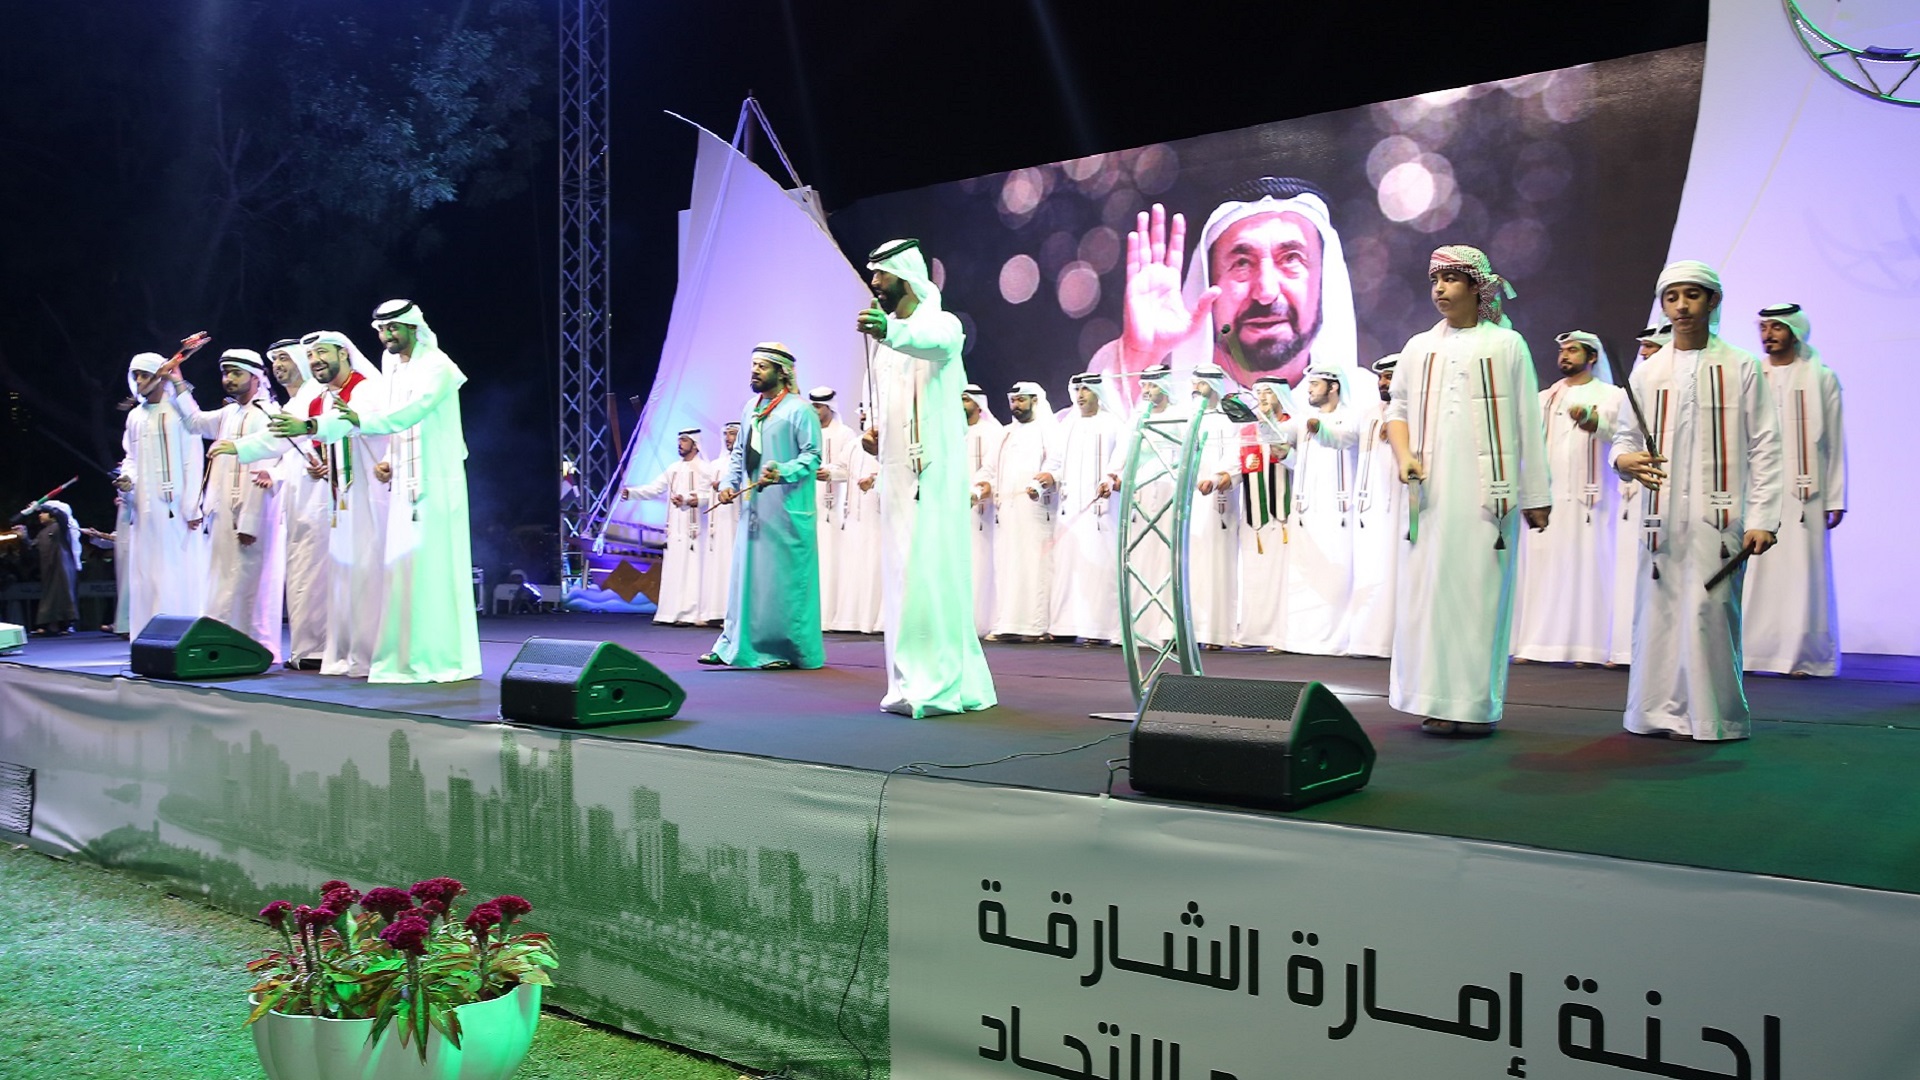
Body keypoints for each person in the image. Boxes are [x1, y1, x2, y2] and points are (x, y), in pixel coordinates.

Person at [1612, 261, 1783, 741]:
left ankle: (1713, 719)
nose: (1682, 306)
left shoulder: (1742, 366)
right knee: (1658, 614)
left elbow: (1766, 445)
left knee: (1711, 615)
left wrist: (1765, 518)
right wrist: (1624, 461)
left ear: (1713, 302)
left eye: (1692, 295)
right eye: (1672, 297)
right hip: (1661, 520)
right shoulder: (1650, 372)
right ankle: (1654, 713)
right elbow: (1623, 438)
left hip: (1721, 518)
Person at [1384, 246, 1550, 736]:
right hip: (1431, 497)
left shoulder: (1506, 345)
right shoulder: (1418, 347)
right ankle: (1433, 698)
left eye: (1452, 279)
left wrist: (1536, 494)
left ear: (1477, 286)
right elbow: (1397, 410)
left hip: (1486, 497)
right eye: (1435, 280)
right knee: (1432, 594)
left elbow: (1526, 421)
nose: (1440, 289)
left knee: (1480, 595)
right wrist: (1404, 455)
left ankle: (1475, 705)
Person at [279, 300, 481, 684]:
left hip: (436, 482)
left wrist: (361, 420)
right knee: (403, 574)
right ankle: (404, 658)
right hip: (404, 484)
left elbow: (412, 413)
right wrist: (387, 454)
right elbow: (389, 427)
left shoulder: (438, 366)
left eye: (394, 329)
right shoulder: (393, 368)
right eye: (382, 330)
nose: (388, 336)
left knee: (432, 573)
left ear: (412, 328)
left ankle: (440, 660)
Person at [856, 238, 996, 716]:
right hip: (895, 472)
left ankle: (939, 680)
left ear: (907, 277)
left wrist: (889, 334)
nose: (874, 285)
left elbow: (933, 346)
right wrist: (874, 432)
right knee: (900, 572)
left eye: (881, 275)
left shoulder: (941, 324)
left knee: (929, 569)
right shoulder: (887, 338)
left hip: (931, 470)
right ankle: (906, 681)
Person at [1090, 178, 1359, 397]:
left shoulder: (1377, 413)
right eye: (1242, 263)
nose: (1265, 291)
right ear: (1207, 282)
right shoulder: (1158, 409)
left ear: (1323, 282)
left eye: (1291, 259)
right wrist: (1138, 362)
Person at [702, 343, 824, 670]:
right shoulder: (750, 408)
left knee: (780, 581)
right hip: (754, 507)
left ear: (781, 373)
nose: (754, 371)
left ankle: (782, 650)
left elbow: (813, 456)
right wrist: (729, 484)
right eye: (753, 365)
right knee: (746, 577)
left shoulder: (800, 410)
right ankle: (733, 644)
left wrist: (782, 471)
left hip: (787, 509)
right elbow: (739, 455)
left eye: (762, 366)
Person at [1512, 331, 1629, 666]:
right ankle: (1536, 644)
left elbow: (1619, 435)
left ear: (1592, 357)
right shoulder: (1544, 397)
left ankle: (1587, 647)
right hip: (1550, 496)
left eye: (1572, 350)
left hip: (1592, 500)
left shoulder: (1612, 395)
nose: (1564, 356)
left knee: (1587, 567)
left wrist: (1594, 422)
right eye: (1561, 350)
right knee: (1544, 566)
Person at [1742, 303, 1845, 677]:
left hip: (1807, 495)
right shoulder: (1752, 375)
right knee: (1758, 574)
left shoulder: (1821, 378)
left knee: (1803, 573)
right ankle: (1753, 653)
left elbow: (1833, 442)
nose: (1768, 334)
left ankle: (1802, 656)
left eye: (1777, 327)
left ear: (1795, 331)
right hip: (1759, 492)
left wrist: (1835, 498)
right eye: (1764, 327)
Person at [168, 348, 288, 661]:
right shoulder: (229, 413)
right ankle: (221, 648)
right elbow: (194, 422)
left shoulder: (268, 414)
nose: (229, 380)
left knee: (249, 589)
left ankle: (256, 650)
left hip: (251, 517)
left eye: (236, 373)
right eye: (225, 373)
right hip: (221, 516)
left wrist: (250, 521)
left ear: (256, 376)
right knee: (221, 586)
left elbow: (266, 471)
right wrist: (178, 382)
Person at [116, 350, 209, 638]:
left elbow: (194, 460)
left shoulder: (179, 413)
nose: (140, 381)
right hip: (145, 509)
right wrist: (127, 479)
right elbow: (130, 456)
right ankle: (146, 637)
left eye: (145, 374)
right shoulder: (134, 417)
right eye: (136, 375)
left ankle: (182, 636)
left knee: (178, 572)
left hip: (178, 508)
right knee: (147, 574)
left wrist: (193, 506)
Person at [1281, 361, 1359, 656]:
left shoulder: (1350, 417)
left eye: (1315, 384)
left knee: (1335, 577)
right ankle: (1300, 640)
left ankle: (1336, 642)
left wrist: (1320, 429)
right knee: (1303, 576)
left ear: (1333, 386)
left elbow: (1341, 440)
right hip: (1304, 509)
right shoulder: (1304, 419)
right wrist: (1264, 424)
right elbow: (1277, 435)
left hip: (1338, 511)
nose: (1310, 390)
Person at [1102, 364, 1182, 647]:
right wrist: (1111, 477)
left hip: (1170, 496)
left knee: (1166, 561)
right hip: (1140, 498)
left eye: (1153, 386)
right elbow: (1121, 455)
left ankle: (1167, 629)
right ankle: (1138, 627)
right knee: (1138, 560)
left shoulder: (1179, 416)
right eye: (1144, 386)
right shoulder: (1137, 418)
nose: (1147, 391)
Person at [1608, 324, 1672, 666]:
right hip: (1638, 497)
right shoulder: (1636, 388)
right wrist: (1621, 458)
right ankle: (1631, 650)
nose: (1644, 355)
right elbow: (1620, 432)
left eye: (1651, 348)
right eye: (1642, 349)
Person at [266, 338, 330, 669]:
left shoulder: (315, 398)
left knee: (315, 572)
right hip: (296, 501)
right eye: (274, 360)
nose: (278, 365)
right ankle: (305, 648)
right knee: (301, 572)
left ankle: (317, 649)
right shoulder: (290, 405)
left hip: (318, 498)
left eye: (284, 358)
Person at [1048, 372, 1124, 644]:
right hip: (1069, 511)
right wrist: (1045, 477)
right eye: (1077, 389)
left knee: (1100, 570)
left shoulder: (1114, 424)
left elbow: (1121, 463)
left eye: (1086, 390)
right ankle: (1065, 626)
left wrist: (1112, 479)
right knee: (1068, 569)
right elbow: (1055, 463)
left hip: (1100, 511)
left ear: (1098, 392)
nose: (1080, 395)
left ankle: (1099, 630)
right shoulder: (1067, 425)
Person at [981, 382, 1060, 642]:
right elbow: (989, 469)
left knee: (1034, 566)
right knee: (1007, 565)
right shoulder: (1005, 434)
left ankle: (1035, 627)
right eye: (1013, 401)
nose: (1016, 406)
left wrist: (1044, 480)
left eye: (1021, 400)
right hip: (1007, 512)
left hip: (1036, 510)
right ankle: (1008, 624)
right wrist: (980, 486)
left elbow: (1056, 464)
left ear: (1035, 401)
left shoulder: (1048, 430)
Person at [1232, 376, 1295, 651]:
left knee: (1283, 576)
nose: (1262, 398)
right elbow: (1235, 463)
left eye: (1268, 393)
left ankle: (1281, 636)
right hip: (1254, 514)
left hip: (1285, 515)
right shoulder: (1248, 431)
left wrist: (1286, 452)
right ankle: (1253, 634)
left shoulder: (1294, 425)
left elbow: (1301, 462)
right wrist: (1222, 476)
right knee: (1255, 575)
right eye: (1258, 393)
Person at [1345, 355, 1402, 658]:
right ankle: (1368, 640)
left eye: (1390, 377)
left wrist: (1398, 429)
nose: (1383, 383)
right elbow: (1341, 436)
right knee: (1369, 572)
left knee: (1393, 572)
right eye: (1381, 378)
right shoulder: (1368, 413)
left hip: (1399, 507)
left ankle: (1393, 641)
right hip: (1368, 507)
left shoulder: (1416, 413)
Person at [623, 429, 710, 625]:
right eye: (679, 440)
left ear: (695, 444)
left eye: (684, 440)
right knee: (674, 571)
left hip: (695, 530)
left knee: (693, 572)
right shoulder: (673, 469)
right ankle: (669, 614)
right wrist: (631, 493)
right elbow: (654, 489)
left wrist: (687, 499)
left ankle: (690, 614)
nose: (680, 444)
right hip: (675, 531)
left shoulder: (705, 469)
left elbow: (709, 497)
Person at [1187, 363, 1242, 648]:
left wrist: (1219, 477)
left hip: (1221, 501)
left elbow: (1237, 456)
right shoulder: (1189, 420)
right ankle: (1192, 630)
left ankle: (1217, 633)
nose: (1195, 387)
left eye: (1201, 382)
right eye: (1193, 382)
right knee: (1193, 565)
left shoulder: (1231, 418)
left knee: (1218, 564)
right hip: (1190, 503)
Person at [832, 402, 885, 633]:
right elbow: (842, 469)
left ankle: (875, 620)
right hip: (855, 515)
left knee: (876, 563)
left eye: (865, 412)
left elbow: (897, 470)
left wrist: (875, 479)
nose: (862, 416)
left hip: (879, 515)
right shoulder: (854, 445)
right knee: (856, 562)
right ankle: (853, 618)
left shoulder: (888, 445)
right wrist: (827, 472)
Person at [810, 387, 858, 630]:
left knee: (835, 560)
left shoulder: (846, 434)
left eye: (818, 406)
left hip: (837, 509)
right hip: (812, 507)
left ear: (830, 407)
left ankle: (835, 615)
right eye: (813, 406)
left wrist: (830, 473)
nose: (815, 411)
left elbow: (850, 470)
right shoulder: (808, 433)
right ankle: (816, 615)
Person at [963, 384, 1005, 636]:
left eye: (966, 400)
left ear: (979, 405)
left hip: (985, 512)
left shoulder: (993, 433)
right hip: (955, 511)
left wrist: (979, 492)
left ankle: (986, 621)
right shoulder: (951, 432)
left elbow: (995, 472)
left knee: (983, 566)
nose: (961, 404)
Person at [10, 500, 79, 635]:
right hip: (48, 569)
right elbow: (32, 547)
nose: (40, 515)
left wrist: (39, 506)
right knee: (50, 597)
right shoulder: (42, 533)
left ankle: (65, 625)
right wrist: (24, 536)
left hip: (62, 567)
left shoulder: (61, 527)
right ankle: (51, 625)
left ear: (52, 515)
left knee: (62, 595)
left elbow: (62, 515)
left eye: (43, 513)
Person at [697, 422, 742, 627]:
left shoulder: (744, 463)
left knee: (733, 566)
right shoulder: (715, 464)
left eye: (733, 434)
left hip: (735, 522)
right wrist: (692, 499)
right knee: (716, 567)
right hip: (716, 525)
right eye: (726, 434)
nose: (728, 438)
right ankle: (713, 612)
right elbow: (706, 496)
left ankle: (733, 615)